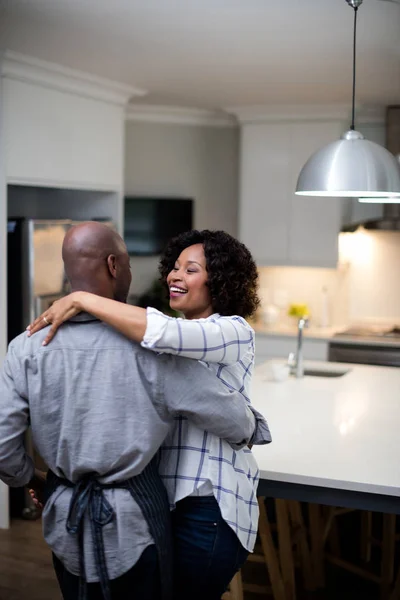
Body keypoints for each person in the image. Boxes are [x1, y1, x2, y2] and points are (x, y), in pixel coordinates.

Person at [0, 222, 263, 600]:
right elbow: (236, 421)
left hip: (64, 516)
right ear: (112, 266)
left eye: (190, 270)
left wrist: (37, 480)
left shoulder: (25, 346)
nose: (173, 275)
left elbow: (3, 450)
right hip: (134, 519)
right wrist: (255, 427)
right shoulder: (153, 351)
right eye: (126, 264)